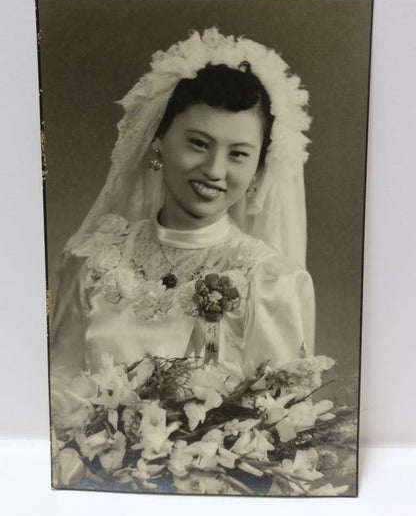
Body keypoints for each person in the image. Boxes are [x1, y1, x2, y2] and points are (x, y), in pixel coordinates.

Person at [49, 27, 315, 381]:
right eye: (199, 144)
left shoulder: (269, 281)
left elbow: (281, 418)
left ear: (257, 170)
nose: (215, 170)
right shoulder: (89, 263)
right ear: (158, 142)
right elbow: (56, 392)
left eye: (238, 154)